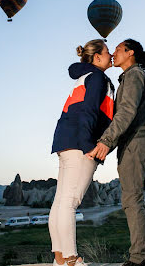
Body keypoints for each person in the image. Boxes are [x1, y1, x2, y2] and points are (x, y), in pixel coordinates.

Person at [87, 39, 145, 266]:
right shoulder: (130, 76)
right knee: (131, 199)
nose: (113, 53)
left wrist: (106, 141)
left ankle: (139, 259)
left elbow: (126, 112)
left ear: (130, 53)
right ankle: (140, 257)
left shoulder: (134, 75)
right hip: (132, 142)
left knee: (132, 199)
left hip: (136, 142)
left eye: (117, 49)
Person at [49, 39, 114, 266]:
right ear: (97, 57)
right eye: (107, 52)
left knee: (60, 202)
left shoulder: (83, 76)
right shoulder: (97, 78)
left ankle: (59, 258)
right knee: (70, 202)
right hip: (80, 144)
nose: (111, 55)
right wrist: (88, 145)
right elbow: (89, 112)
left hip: (65, 142)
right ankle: (71, 259)